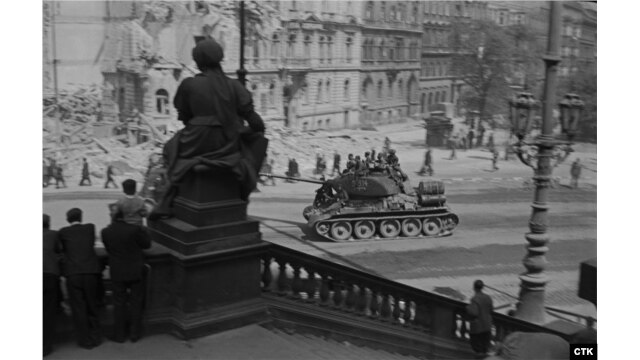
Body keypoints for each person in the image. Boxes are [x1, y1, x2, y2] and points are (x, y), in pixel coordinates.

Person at [152, 38, 267, 218]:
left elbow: (184, 117)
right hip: (228, 143)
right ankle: (239, 197)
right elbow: (257, 125)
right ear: (220, 59)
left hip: (194, 141)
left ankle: (172, 198)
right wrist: (241, 130)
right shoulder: (235, 85)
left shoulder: (189, 84)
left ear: (197, 62)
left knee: (170, 149)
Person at [101, 206, 152, 343]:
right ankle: (135, 333)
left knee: (119, 303)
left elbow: (108, 248)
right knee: (136, 301)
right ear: (123, 216)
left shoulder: (106, 232)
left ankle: (120, 334)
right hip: (135, 269)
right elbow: (147, 244)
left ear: (112, 217)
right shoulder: (134, 230)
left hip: (117, 270)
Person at [59, 208, 102, 349]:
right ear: (81, 217)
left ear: (67, 220)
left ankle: (85, 340)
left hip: (73, 274)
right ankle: (96, 336)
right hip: (90, 271)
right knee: (92, 305)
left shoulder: (63, 232)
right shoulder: (90, 228)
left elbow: (61, 249)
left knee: (79, 308)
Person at [43, 214, 62, 356]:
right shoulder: (53, 235)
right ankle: (46, 346)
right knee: (48, 311)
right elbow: (59, 249)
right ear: (48, 223)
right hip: (49, 274)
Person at [466, 280, 494, 359]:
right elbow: (491, 310)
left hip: (477, 328)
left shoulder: (475, 299)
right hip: (487, 327)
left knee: (478, 350)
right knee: (485, 350)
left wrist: (468, 308)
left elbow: (474, 313)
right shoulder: (488, 297)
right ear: (482, 287)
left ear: (474, 288)